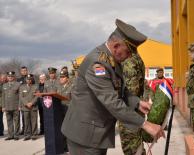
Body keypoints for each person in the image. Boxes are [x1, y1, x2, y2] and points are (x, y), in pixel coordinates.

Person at [61, 19, 165, 155]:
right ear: (116, 46)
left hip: (95, 133)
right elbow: (111, 101)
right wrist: (145, 124)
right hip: (85, 135)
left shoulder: (113, 60)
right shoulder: (98, 63)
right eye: (127, 52)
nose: (128, 57)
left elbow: (121, 90)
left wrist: (138, 103)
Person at [118, 52, 146, 155]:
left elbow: (131, 91)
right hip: (135, 110)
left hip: (128, 112)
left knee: (132, 148)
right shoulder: (136, 57)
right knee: (137, 147)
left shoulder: (128, 60)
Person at [2, 71, 21, 140]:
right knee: (9, 121)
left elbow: (20, 96)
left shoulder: (18, 84)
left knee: (17, 121)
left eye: (11, 76)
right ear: (7, 77)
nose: (10, 77)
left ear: (14, 77)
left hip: (15, 106)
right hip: (7, 106)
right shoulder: (4, 85)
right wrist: (3, 106)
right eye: (9, 76)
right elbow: (3, 97)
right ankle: (10, 135)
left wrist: (19, 105)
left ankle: (16, 135)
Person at [57, 70, 73, 152]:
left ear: (67, 78)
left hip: (68, 111)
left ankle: (70, 147)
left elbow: (74, 100)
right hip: (60, 112)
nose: (61, 79)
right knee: (62, 129)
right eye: (60, 77)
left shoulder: (72, 86)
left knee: (69, 130)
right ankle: (63, 146)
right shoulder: (58, 87)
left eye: (63, 77)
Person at [19, 74, 38, 140]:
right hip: (25, 107)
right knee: (26, 121)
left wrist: (31, 103)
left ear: (32, 80)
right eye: (27, 79)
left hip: (33, 106)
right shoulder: (22, 87)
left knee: (34, 121)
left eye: (30, 79)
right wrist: (26, 103)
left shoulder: (35, 86)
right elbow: (21, 96)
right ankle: (27, 135)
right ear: (25, 80)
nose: (28, 80)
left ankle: (34, 134)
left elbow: (37, 96)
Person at [17, 66, 28, 135]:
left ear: (27, 71)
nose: (24, 72)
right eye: (22, 71)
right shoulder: (18, 80)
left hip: (29, 99)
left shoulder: (30, 78)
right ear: (21, 72)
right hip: (21, 100)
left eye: (25, 70)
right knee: (23, 116)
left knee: (28, 116)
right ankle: (24, 129)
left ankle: (29, 130)